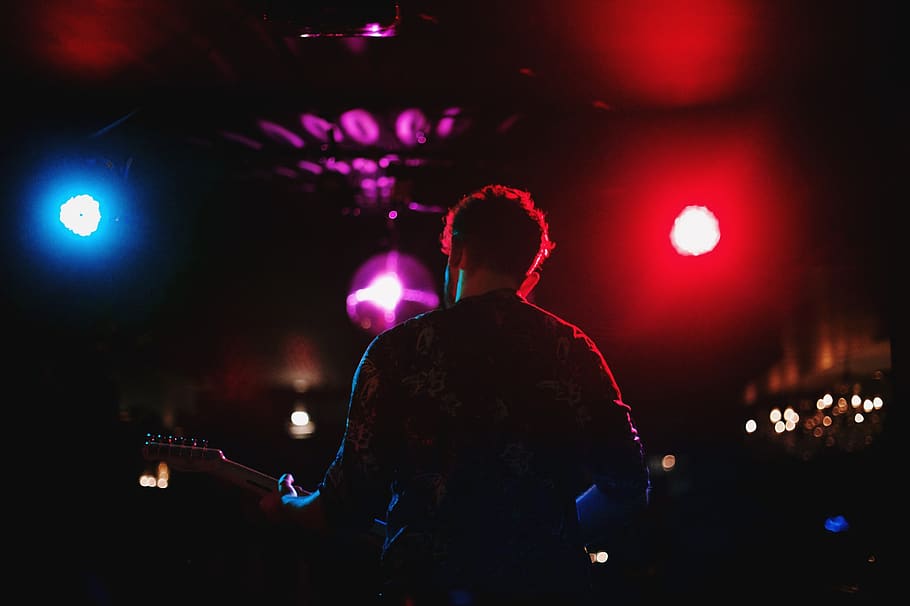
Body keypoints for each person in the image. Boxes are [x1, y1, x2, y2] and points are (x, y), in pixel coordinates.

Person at [260, 184, 651, 605]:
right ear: (528, 275)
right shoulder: (572, 350)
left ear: (458, 253)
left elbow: (347, 502)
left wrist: (291, 507)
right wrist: (550, 533)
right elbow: (628, 485)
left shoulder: (398, 351)